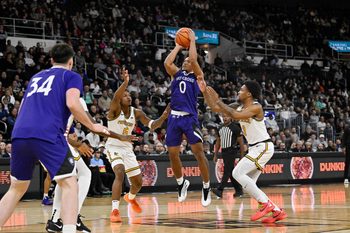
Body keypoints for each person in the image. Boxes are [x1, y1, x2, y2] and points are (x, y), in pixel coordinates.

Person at [0, 43, 109, 233]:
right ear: (71, 62)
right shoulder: (71, 76)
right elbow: (72, 103)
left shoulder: (36, 77)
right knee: (69, 183)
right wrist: (93, 126)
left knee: (16, 189)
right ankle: (67, 228)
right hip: (47, 133)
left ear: (51, 60)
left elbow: (24, 104)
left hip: (20, 133)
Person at [198, 78, 287, 223]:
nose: (239, 91)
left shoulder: (256, 107)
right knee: (249, 184)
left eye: (242, 90)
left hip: (263, 146)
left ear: (249, 94)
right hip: (255, 148)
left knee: (237, 173)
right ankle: (277, 211)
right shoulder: (237, 106)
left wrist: (218, 100)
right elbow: (216, 108)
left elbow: (234, 115)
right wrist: (205, 92)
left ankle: (266, 204)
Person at [46, 97, 136, 233]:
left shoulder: (54, 97)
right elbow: (93, 126)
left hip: (42, 139)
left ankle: (54, 220)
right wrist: (120, 137)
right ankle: (73, 216)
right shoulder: (77, 99)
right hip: (57, 141)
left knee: (65, 177)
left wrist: (77, 144)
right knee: (84, 174)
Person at [107, 68, 170, 222]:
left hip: (128, 150)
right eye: (125, 95)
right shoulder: (114, 111)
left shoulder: (137, 112)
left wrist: (163, 116)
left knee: (138, 183)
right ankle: (114, 211)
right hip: (113, 147)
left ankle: (130, 197)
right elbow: (115, 97)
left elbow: (152, 125)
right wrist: (126, 82)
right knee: (119, 172)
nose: (128, 97)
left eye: (129, 95)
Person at [164, 29, 211, 206]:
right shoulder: (177, 74)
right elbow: (167, 62)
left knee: (199, 153)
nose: (185, 62)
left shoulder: (198, 77)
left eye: (187, 61)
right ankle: (181, 182)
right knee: (173, 154)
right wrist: (177, 47)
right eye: (183, 61)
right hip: (174, 118)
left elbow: (193, 59)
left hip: (190, 118)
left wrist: (192, 41)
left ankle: (206, 186)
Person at [212, 113, 244, 199]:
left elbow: (241, 142)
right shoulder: (220, 128)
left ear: (230, 118)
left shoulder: (235, 128)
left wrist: (242, 155)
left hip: (231, 150)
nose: (225, 118)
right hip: (224, 151)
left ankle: (220, 190)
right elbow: (218, 142)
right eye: (223, 116)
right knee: (230, 172)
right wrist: (215, 154)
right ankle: (239, 190)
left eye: (226, 116)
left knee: (226, 171)